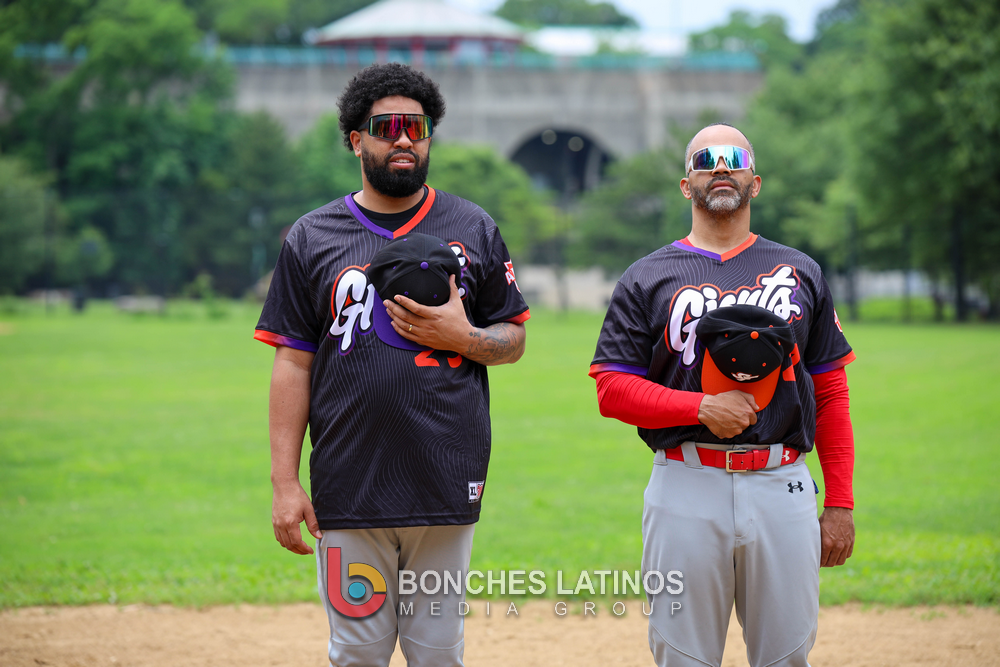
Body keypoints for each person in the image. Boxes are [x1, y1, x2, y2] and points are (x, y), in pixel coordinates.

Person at [254, 63, 529, 667]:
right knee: (356, 655)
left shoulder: (472, 226)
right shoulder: (312, 236)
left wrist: (463, 336)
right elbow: (292, 363)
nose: (404, 138)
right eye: (387, 127)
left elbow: (513, 338)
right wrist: (284, 483)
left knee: (438, 655)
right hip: (348, 486)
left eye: (417, 127)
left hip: (445, 480)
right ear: (357, 140)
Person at [590, 123, 856, 667]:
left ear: (754, 182)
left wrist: (840, 504)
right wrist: (700, 407)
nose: (719, 167)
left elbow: (830, 394)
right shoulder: (646, 276)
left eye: (733, 158)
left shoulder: (800, 271)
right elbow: (612, 388)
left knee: (786, 657)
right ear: (685, 184)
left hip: (782, 482)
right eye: (704, 159)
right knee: (682, 656)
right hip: (685, 483)